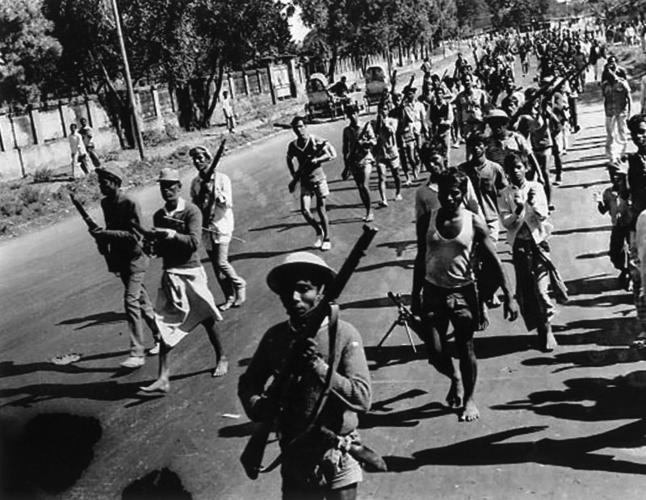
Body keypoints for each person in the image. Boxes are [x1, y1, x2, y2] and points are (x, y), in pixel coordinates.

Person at [238, 252, 371, 499]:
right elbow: (249, 383)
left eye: (303, 289)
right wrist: (258, 407)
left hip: (337, 449)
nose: (294, 298)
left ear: (321, 290)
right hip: (293, 449)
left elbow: (362, 397)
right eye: (287, 290)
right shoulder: (275, 337)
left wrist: (316, 365)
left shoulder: (344, 334)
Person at [411, 168, 518, 422]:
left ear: (462, 194)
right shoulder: (428, 220)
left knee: (465, 347)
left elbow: (494, 261)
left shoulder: (474, 222)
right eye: (446, 194)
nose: (450, 199)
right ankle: (455, 377)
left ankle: (469, 399)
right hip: (433, 291)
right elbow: (419, 259)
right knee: (435, 352)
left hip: (463, 293)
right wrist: (415, 295)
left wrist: (509, 295)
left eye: (455, 194)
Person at [140, 168, 227, 393]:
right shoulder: (159, 216)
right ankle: (163, 377)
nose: (167, 190)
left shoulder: (191, 211)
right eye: (163, 186)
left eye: (171, 186)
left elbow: (193, 242)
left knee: (207, 317)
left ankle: (222, 356)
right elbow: (160, 248)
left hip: (191, 271)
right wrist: (150, 245)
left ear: (179, 187)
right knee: (165, 323)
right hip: (171, 273)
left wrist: (171, 235)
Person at [90, 165, 160, 369]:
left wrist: (105, 234)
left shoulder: (130, 202)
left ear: (115, 182)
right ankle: (160, 336)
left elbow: (135, 236)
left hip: (136, 257)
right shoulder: (105, 203)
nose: (100, 186)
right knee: (143, 303)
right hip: (120, 258)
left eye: (104, 182)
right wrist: (102, 243)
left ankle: (137, 353)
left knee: (130, 302)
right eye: (100, 182)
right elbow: (109, 231)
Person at [499, 152, 566, 352]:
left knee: (541, 289)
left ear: (526, 168)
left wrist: (532, 203)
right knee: (527, 292)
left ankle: (548, 328)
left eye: (519, 167)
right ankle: (541, 329)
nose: (515, 171)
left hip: (538, 245)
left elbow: (543, 215)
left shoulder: (536, 188)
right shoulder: (505, 193)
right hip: (520, 247)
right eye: (511, 169)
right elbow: (507, 222)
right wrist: (519, 209)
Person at [189, 145, 246, 311]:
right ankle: (228, 296)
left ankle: (239, 283)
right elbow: (194, 204)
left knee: (221, 261)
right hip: (205, 227)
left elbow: (228, 202)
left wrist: (214, 193)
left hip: (221, 224)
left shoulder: (222, 178)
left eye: (200, 158)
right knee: (215, 266)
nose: (198, 161)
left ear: (208, 159)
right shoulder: (195, 182)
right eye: (195, 159)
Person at [286, 116, 337, 251]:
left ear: (305, 127)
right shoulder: (293, 145)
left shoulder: (315, 140)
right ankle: (318, 230)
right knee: (305, 211)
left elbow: (329, 154)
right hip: (305, 181)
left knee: (321, 210)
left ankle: (327, 238)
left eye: (301, 126)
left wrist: (317, 159)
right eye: (296, 127)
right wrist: (293, 175)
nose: (299, 129)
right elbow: (289, 159)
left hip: (319, 178)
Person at [596, 164, 631, 289]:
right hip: (617, 226)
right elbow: (603, 210)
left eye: (618, 175)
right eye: (612, 175)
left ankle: (629, 274)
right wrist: (599, 201)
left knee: (632, 251)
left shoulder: (629, 190)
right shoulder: (608, 192)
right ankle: (623, 269)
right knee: (615, 252)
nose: (614, 177)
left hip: (630, 225)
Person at [342, 106, 377, 221]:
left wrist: (365, 143)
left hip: (366, 158)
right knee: (360, 187)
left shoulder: (365, 126)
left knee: (364, 185)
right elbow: (345, 149)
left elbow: (374, 141)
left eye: (353, 113)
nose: (352, 116)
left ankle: (370, 211)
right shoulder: (346, 131)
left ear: (357, 113)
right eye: (349, 114)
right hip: (354, 161)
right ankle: (367, 209)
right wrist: (346, 166)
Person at [602, 55, 632, 162]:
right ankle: (612, 156)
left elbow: (628, 95)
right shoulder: (605, 82)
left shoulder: (622, 79)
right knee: (610, 134)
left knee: (622, 131)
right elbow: (604, 95)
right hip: (609, 111)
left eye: (614, 62)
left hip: (621, 110)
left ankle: (623, 153)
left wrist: (629, 111)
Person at [372, 102, 403, 204]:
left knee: (396, 175)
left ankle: (398, 193)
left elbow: (392, 131)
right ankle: (383, 199)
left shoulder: (393, 121)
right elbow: (374, 135)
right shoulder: (375, 123)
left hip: (392, 151)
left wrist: (384, 122)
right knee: (381, 176)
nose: (383, 111)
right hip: (381, 153)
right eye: (381, 109)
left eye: (385, 109)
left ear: (388, 110)